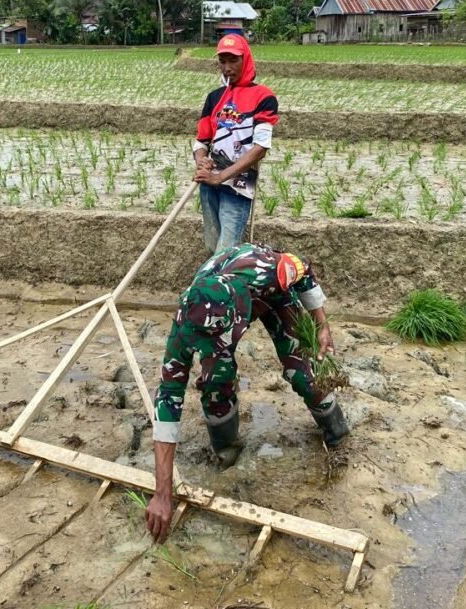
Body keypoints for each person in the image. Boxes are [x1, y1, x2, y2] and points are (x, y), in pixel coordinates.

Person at [144, 242, 350, 543]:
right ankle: (228, 455)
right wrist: (162, 492)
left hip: (274, 299)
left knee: (302, 374)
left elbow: (304, 268)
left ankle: (337, 432)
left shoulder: (268, 270)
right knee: (216, 382)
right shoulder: (186, 324)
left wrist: (322, 324)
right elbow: (168, 398)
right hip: (223, 313)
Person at [193, 34, 278, 254]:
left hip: (238, 185)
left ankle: (225, 286)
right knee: (213, 247)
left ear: (246, 60)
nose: (227, 67)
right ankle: (220, 285)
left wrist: (220, 177)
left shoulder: (263, 97)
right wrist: (202, 161)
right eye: (222, 61)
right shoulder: (214, 98)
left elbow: (260, 148)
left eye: (234, 60)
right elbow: (201, 140)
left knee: (226, 250)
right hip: (209, 185)